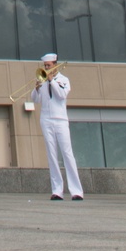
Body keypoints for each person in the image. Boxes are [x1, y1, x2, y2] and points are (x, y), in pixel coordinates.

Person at [32, 54, 83, 201]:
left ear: (55, 65)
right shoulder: (42, 80)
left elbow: (61, 95)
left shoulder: (63, 80)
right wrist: (36, 89)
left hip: (60, 120)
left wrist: (51, 80)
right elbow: (36, 99)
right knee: (51, 155)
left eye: (48, 66)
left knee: (67, 154)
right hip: (46, 119)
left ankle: (76, 191)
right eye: (45, 66)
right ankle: (57, 190)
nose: (46, 68)